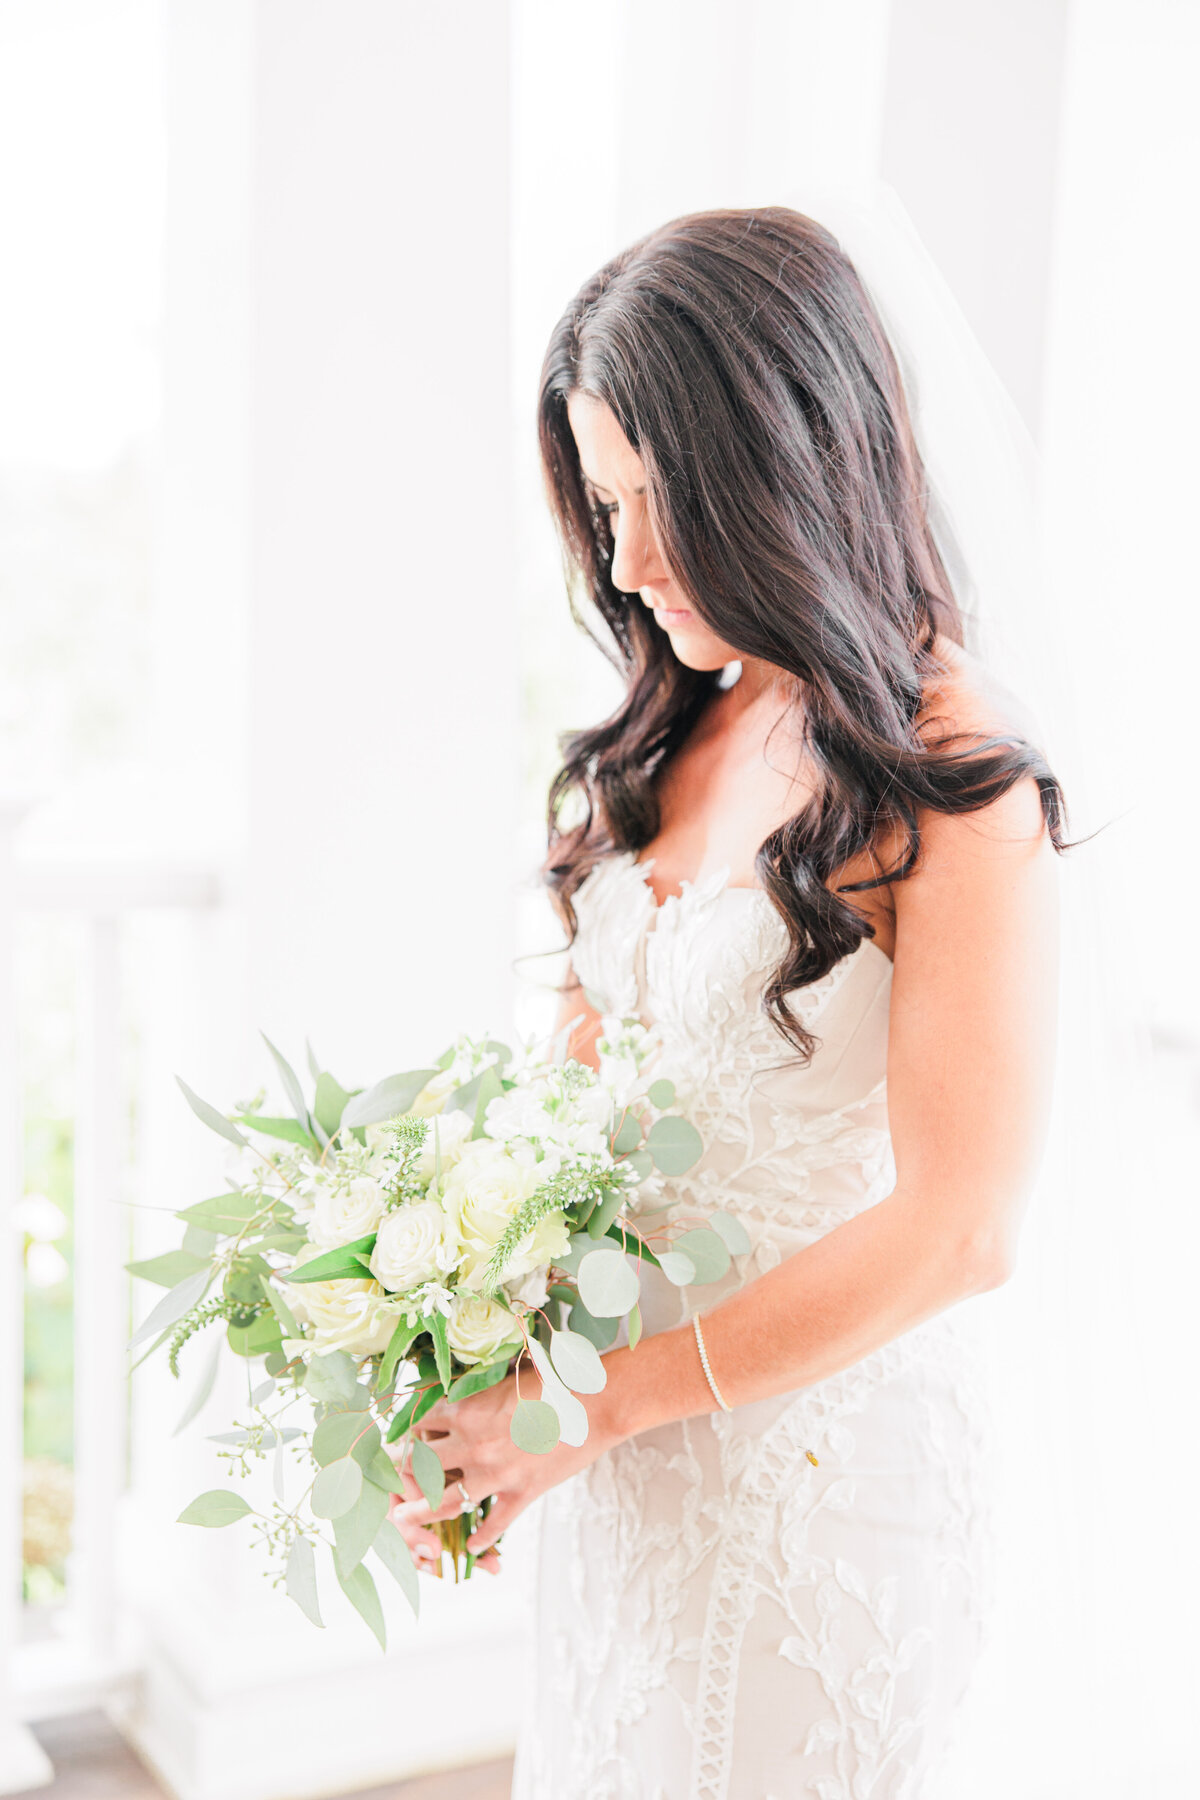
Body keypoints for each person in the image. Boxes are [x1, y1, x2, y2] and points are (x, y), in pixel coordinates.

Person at [391, 206, 1068, 1799]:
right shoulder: (679, 717)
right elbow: (581, 1091)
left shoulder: (954, 773)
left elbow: (966, 1227)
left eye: (655, 500)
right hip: (624, 1476)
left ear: (783, 458)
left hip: (821, 1499)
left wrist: (594, 1407)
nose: (622, 563)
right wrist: (479, 1352)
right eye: (602, 507)